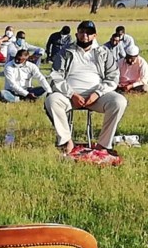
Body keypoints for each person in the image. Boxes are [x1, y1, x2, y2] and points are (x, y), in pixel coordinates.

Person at [44, 20, 128, 155]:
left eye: (89, 33)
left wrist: (97, 93)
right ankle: (66, 141)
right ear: (76, 34)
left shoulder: (103, 52)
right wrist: (72, 94)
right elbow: (55, 76)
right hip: (69, 96)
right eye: (82, 32)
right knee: (51, 100)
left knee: (119, 101)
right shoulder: (66, 52)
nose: (85, 35)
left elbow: (113, 77)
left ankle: (103, 144)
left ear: (95, 35)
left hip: (97, 97)